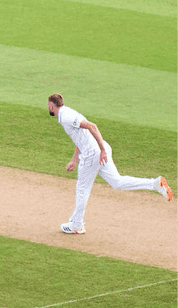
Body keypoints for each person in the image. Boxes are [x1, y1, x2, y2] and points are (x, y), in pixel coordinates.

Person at [47, 93, 170, 234]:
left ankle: (77, 224)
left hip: (93, 154)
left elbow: (92, 126)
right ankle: (154, 183)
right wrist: (74, 159)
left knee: (82, 189)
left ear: (51, 106)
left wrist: (102, 150)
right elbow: (80, 138)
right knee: (117, 182)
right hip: (97, 151)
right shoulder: (66, 113)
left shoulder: (66, 115)